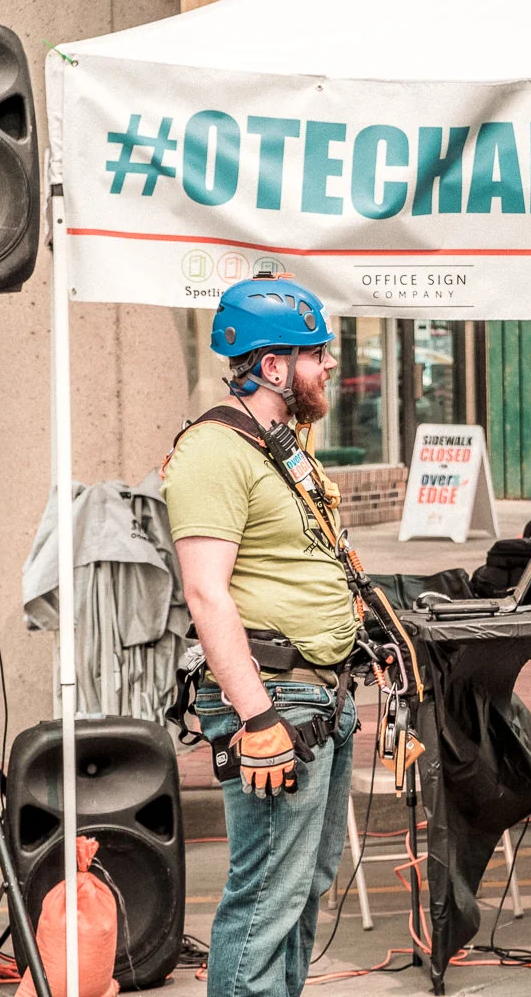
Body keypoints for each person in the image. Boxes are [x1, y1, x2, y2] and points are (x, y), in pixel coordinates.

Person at [161, 274, 360, 997]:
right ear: (273, 366)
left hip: (319, 696)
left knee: (301, 888)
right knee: (267, 896)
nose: (329, 365)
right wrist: (258, 718)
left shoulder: (276, 446)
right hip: (276, 701)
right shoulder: (215, 451)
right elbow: (205, 592)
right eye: (316, 353)